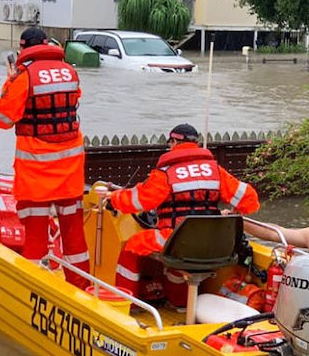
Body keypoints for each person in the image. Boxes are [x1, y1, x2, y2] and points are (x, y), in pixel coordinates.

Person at [108, 123, 260, 308]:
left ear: (174, 142)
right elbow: (250, 200)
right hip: (215, 242)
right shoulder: (215, 171)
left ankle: (126, 303)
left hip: (177, 238)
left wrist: (113, 198)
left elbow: (138, 201)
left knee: (131, 248)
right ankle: (181, 304)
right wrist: (231, 214)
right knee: (178, 262)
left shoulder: (166, 174)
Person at [0, 27, 90, 289]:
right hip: (70, 168)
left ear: (23, 48)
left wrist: (9, 83)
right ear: (46, 44)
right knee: (73, 231)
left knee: (35, 231)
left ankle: (32, 287)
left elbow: (0, 119)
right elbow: (69, 104)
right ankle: (82, 288)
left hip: (37, 168)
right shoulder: (70, 71)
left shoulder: (23, 76)